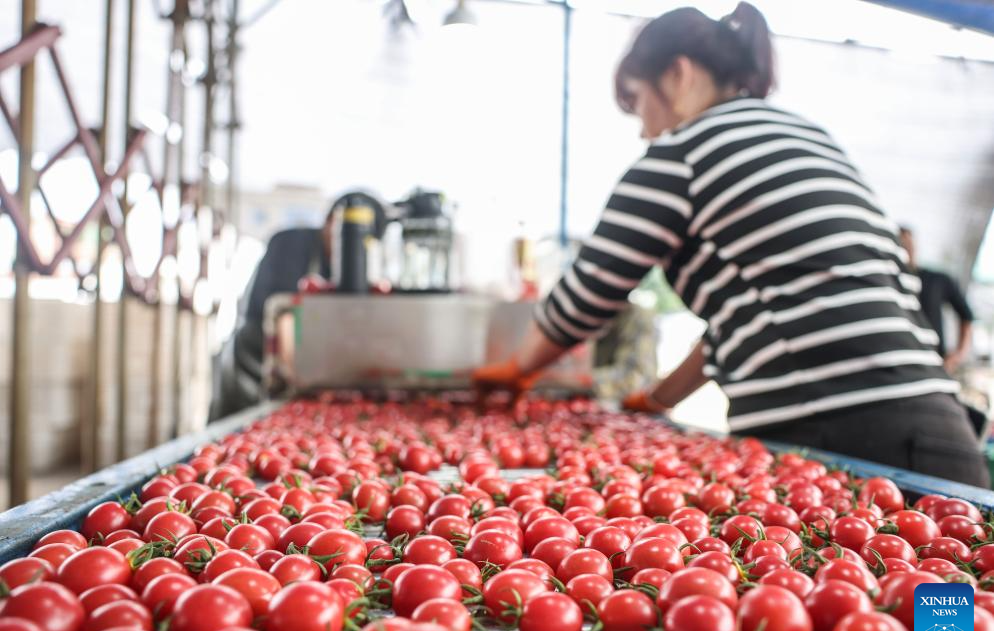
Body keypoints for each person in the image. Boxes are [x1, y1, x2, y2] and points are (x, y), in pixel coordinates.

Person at [472, 3, 989, 487]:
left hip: (841, 437)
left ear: (677, 74)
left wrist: (517, 371)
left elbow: (588, 293)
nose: (643, 132)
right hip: (938, 432)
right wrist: (657, 400)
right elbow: (752, 320)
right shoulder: (805, 135)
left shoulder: (684, 152)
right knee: (949, 588)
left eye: (640, 105)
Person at [210, 193, 384, 419]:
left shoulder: (342, 266)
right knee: (237, 428)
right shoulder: (290, 243)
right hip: (254, 358)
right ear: (331, 221)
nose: (357, 251)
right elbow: (286, 319)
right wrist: (302, 389)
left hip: (295, 365)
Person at [898, 226, 975, 373]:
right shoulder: (888, 283)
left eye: (908, 244)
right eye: (901, 245)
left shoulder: (937, 280)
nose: (907, 249)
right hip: (901, 363)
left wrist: (958, 354)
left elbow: (966, 315)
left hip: (935, 361)